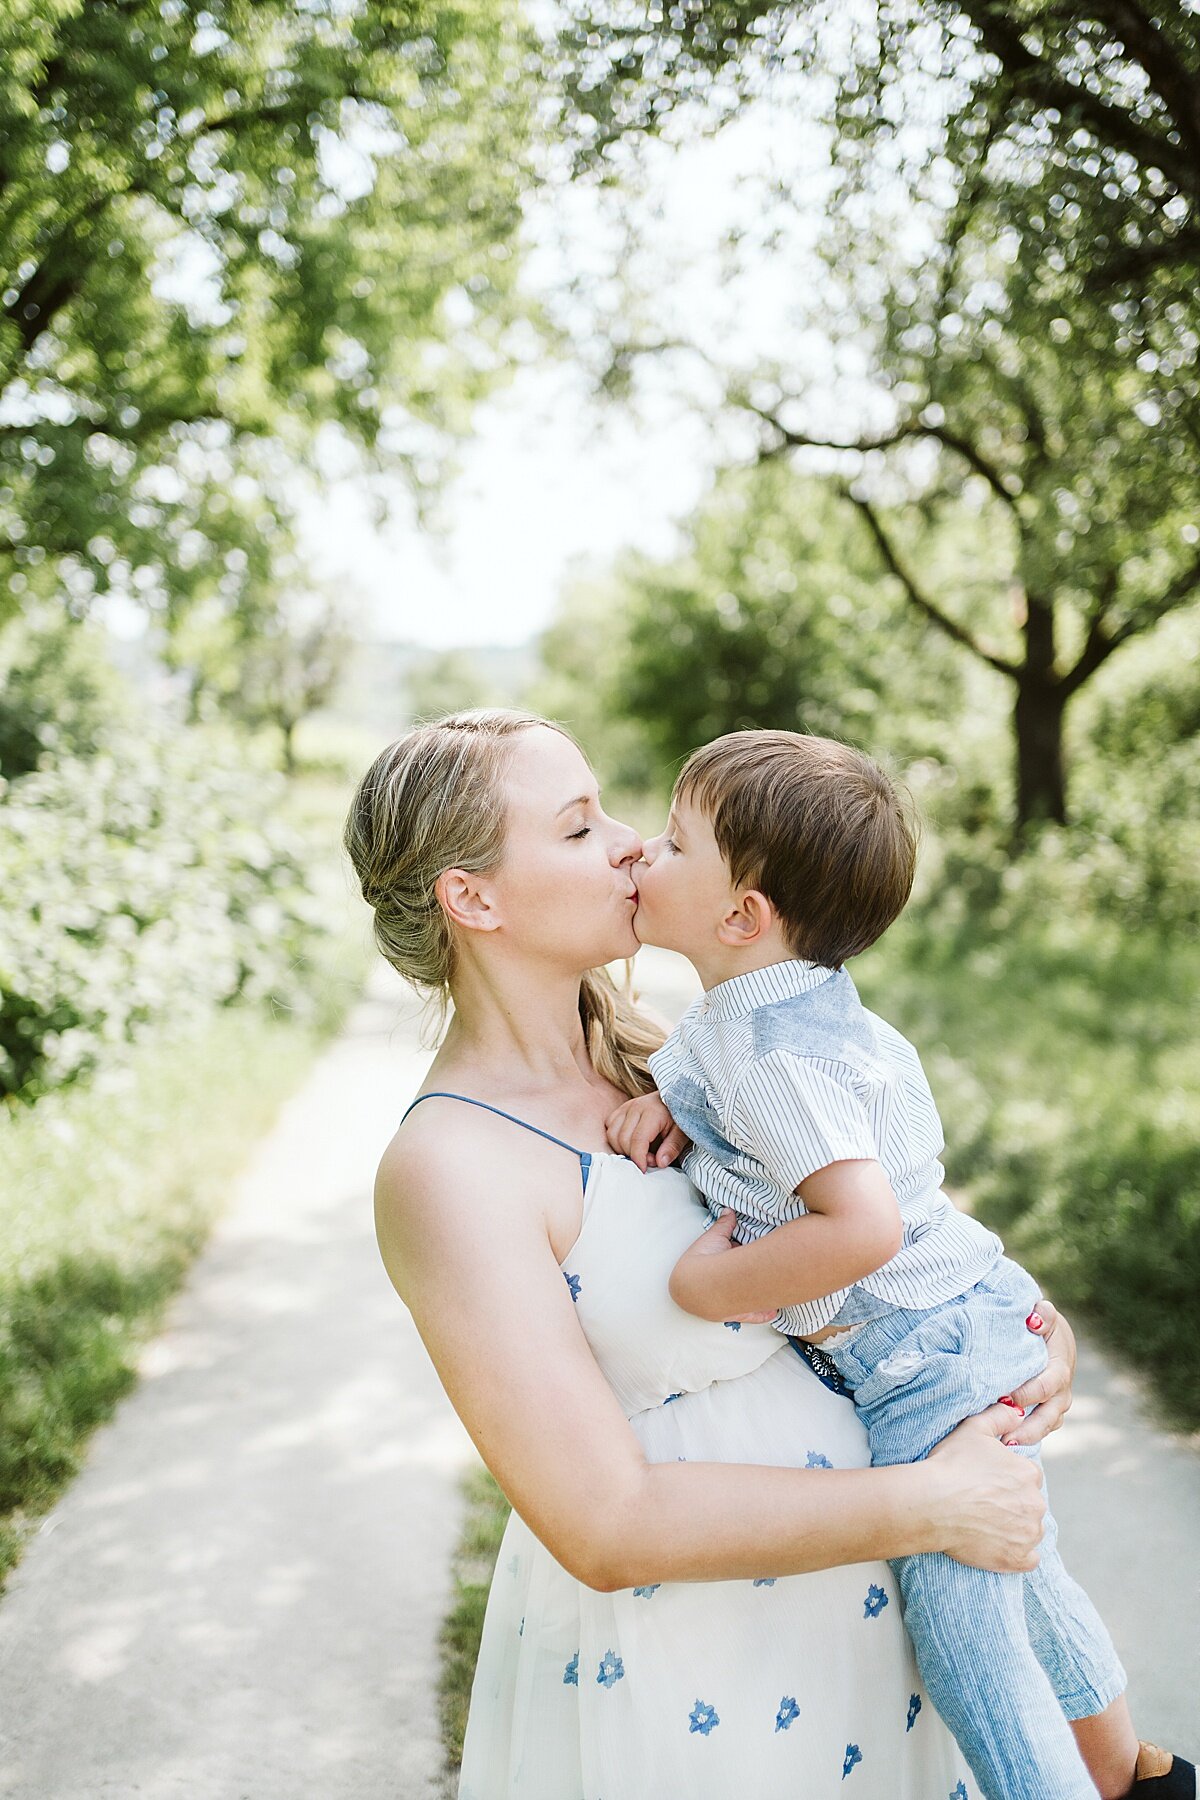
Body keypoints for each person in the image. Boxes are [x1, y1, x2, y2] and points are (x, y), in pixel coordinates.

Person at [344, 708, 1080, 1800]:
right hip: (708, 1674)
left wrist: (1022, 1326)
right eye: (582, 826)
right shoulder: (450, 1166)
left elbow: (884, 1215)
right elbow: (606, 1523)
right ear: (473, 897)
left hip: (878, 1635)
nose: (633, 843)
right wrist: (931, 1504)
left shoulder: (675, 1054)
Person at [607, 727, 1193, 1800]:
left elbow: (863, 1225)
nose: (641, 852)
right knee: (1028, 1568)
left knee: (965, 1625)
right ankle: (1146, 1787)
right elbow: (763, 1123)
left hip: (927, 1354)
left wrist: (705, 1287)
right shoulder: (768, 1018)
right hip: (958, 1321)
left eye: (674, 843)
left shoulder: (772, 1054)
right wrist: (674, 1106)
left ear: (743, 915)